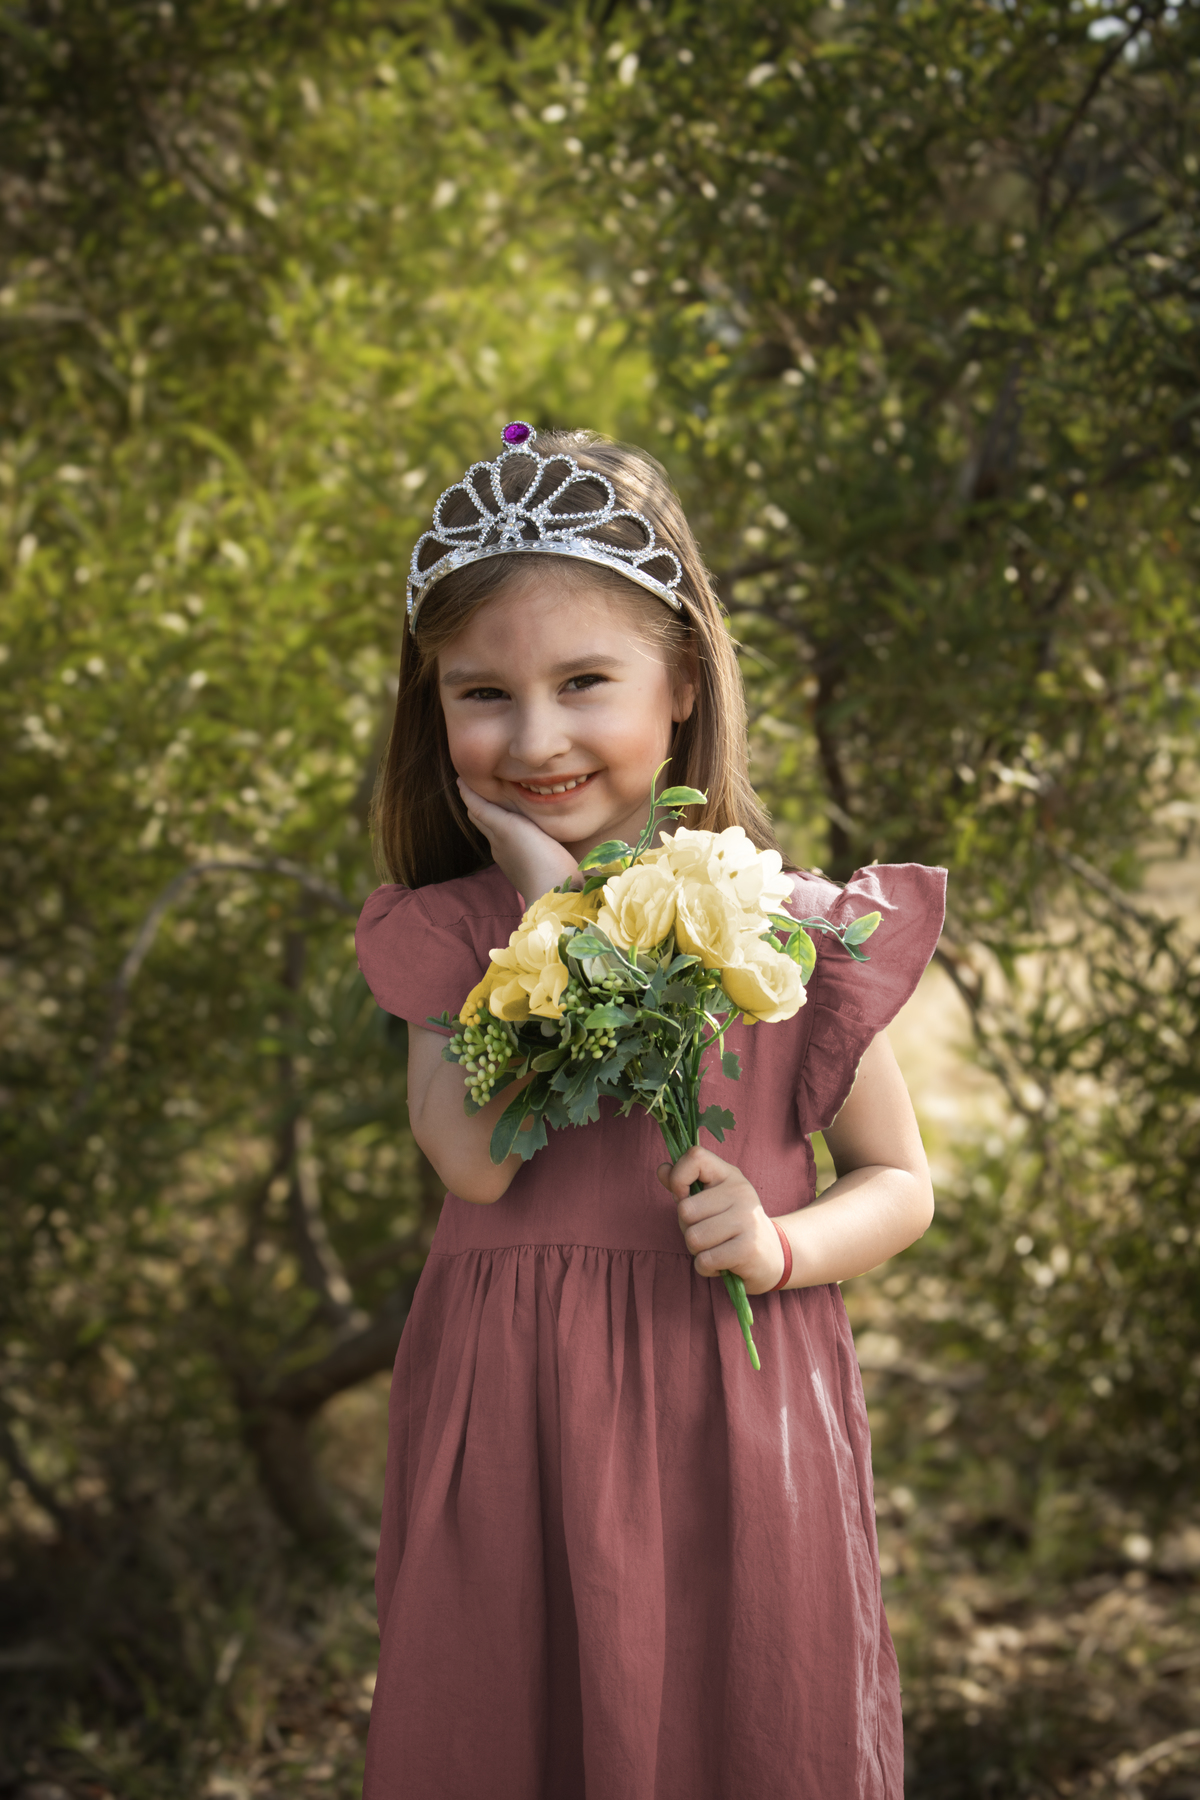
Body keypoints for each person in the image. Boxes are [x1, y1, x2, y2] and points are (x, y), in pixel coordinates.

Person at [355, 424, 946, 1800]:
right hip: (516, 1420)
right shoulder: (451, 936)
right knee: (514, 1724)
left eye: (584, 682)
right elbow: (474, 1161)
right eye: (484, 694)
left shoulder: (785, 928)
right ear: (434, 712)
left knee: (739, 1725)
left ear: (681, 683)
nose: (536, 738)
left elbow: (900, 1182)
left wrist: (783, 1245)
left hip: (729, 1414)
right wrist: (549, 909)